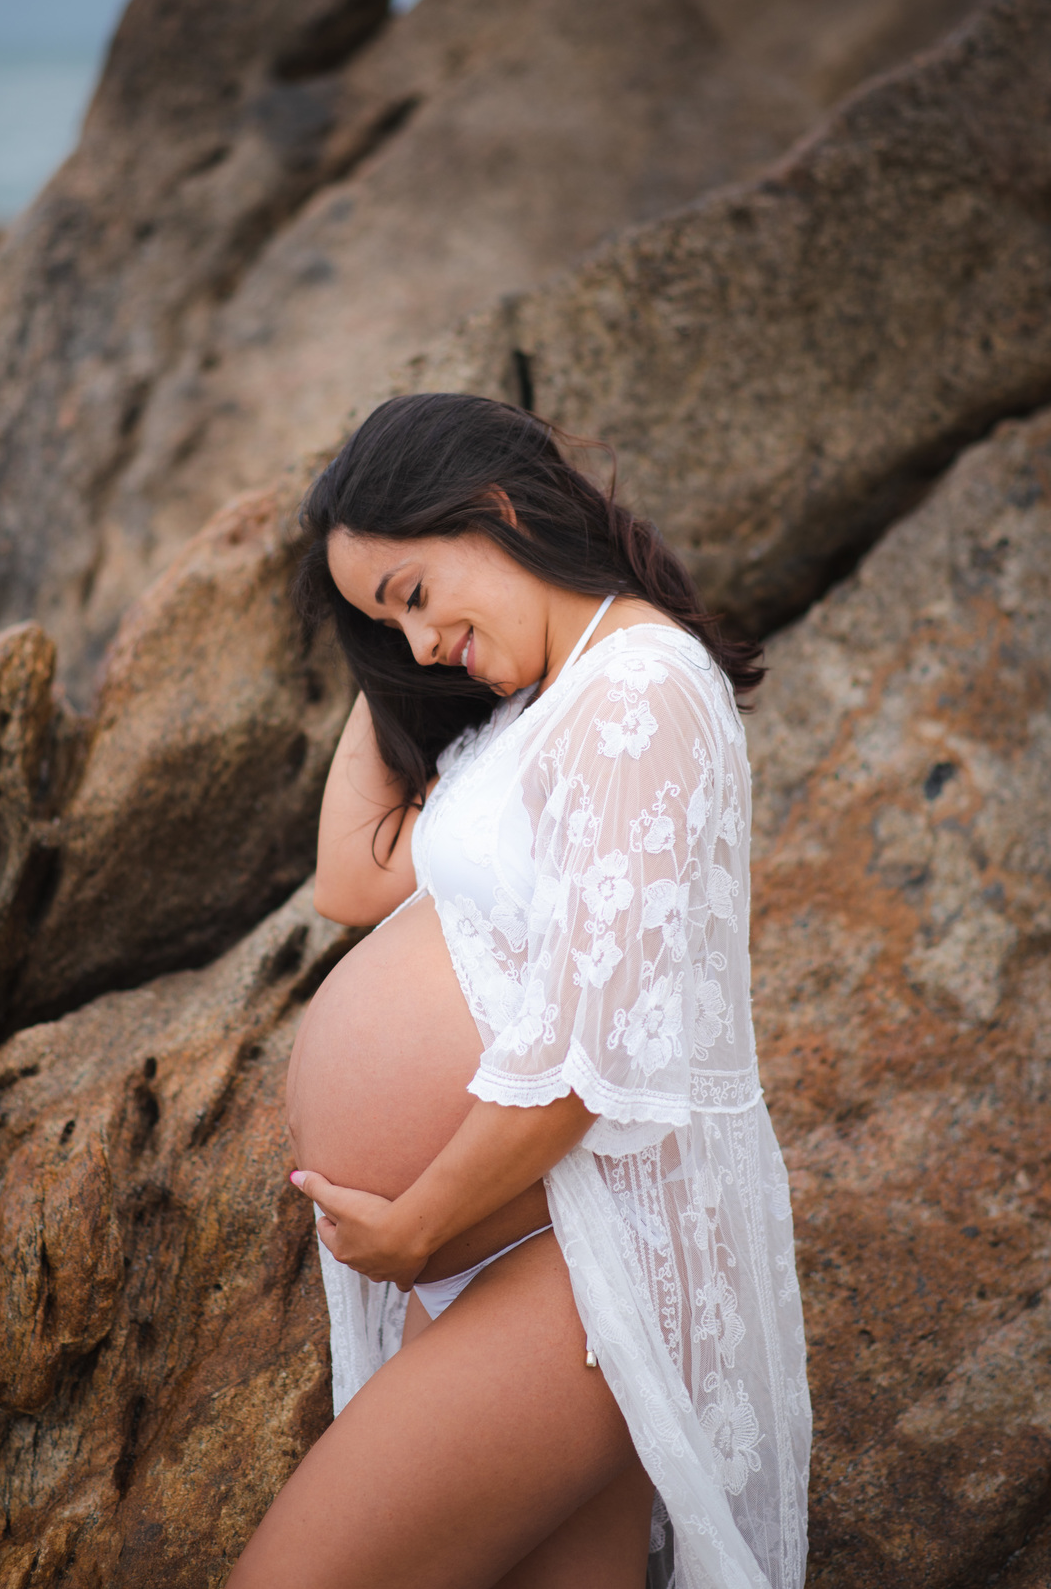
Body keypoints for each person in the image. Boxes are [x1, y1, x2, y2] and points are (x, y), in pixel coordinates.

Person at [226, 394, 810, 1589]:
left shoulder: (638, 688)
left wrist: (421, 1224)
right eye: (391, 621)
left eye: (415, 593)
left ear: (496, 509)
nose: (420, 641)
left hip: (590, 1257)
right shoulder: (534, 715)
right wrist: (394, 635)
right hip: (529, 1244)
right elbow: (351, 872)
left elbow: (597, 1049)